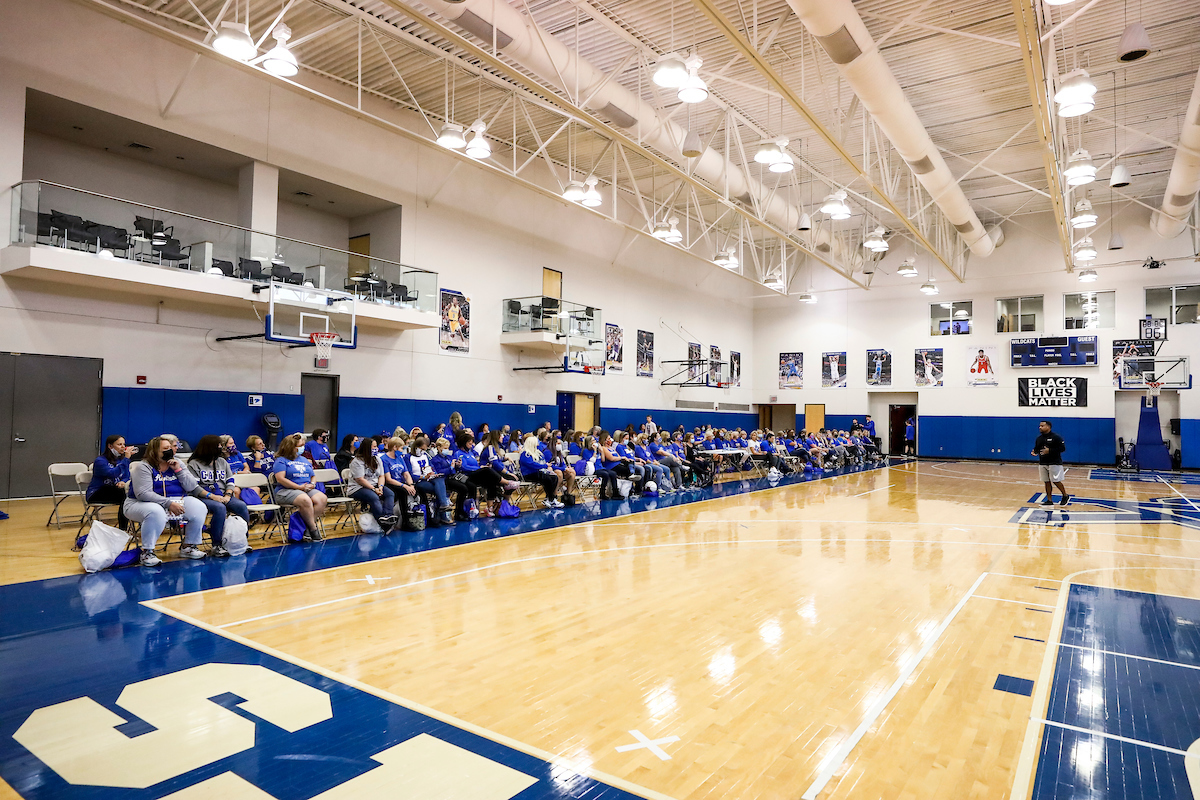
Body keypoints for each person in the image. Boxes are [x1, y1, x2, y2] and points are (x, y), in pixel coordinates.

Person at [124, 436, 209, 566]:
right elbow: (143, 494)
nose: (169, 451)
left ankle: (188, 546)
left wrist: (178, 470)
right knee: (156, 511)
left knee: (199, 506)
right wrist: (168, 503)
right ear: (154, 451)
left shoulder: (178, 463)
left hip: (175, 500)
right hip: (140, 504)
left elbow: (192, 486)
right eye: (165, 449)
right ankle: (147, 552)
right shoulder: (143, 467)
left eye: (170, 448)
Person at [187, 434, 251, 557]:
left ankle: (242, 541)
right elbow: (194, 488)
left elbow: (230, 480)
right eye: (219, 445)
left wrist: (228, 494)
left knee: (241, 506)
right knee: (219, 508)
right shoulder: (194, 464)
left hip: (222, 494)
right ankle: (217, 544)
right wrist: (212, 496)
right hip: (203, 496)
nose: (221, 448)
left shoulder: (222, 462)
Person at [273, 434, 329, 540]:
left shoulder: (303, 459)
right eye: (300, 445)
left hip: (305, 488)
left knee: (322, 498)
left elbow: (313, 476)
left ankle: (305, 528)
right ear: (291, 447)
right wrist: (299, 487)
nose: (303, 448)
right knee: (305, 500)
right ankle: (313, 529)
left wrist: (312, 484)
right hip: (285, 490)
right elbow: (281, 479)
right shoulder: (281, 461)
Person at [87, 434, 134, 530]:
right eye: (119, 444)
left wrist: (123, 482)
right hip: (97, 492)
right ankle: (123, 530)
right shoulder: (100, 461)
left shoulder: (120, 460)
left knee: (132, 495)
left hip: (114, 490)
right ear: (110, 446)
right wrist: (126, 459)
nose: (123, 447)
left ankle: (133, 527)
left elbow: (126, 476)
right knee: (124, 497)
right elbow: (112, 473)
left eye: (124, 444)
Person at [349, 437, 397, 530]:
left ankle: (387, 516)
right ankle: (382, 522)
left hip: (375, 486)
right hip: (358, 488)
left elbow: (381, 476)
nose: (377, 449)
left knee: (390, 493)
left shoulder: (377, 459)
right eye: (374, 447)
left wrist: (381, 487)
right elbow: (360, 479)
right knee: (373, 497)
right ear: (367, 448)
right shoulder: (357, 461)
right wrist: (374, 489)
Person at [408, 434, 453, 524]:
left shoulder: (425, 455)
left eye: (425, 449)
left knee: (440, 479)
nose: (424, 451)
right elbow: (409, 474)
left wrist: (433, 473)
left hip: (429, 478)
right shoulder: (408, 457)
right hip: (419, 480)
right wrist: (423, 477)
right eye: (422, 449)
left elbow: (431, 467)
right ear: (416, 447)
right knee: (440, 490)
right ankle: (443, 510)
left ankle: (443, 508)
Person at [519, 434, 563, 508]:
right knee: (547, 479)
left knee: (554, 477)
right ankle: (550, 499)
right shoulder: (525, 454)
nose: (538, 444)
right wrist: (545, 466)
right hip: (528, 474)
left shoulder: (538, 453)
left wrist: (547, 466)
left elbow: (543, 461)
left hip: (538, 472)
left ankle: (550, 498)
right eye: (536, 443)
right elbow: (532, 465)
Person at [1032, 420, 1070, 506]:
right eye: (1040, 426)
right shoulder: (1039, 438)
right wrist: (1034, 452)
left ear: (1048, 427)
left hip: (1054, 462)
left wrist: (1050, 451)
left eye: (1042, 426)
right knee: (1046, 481)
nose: (1040, 427)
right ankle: (1049, 500)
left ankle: (1065, 495)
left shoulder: (1056, 437)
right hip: (1043, 462)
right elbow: (1037, 449)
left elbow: (1062, 448)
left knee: (1056, 481)